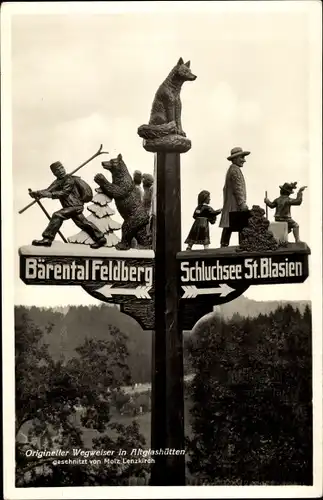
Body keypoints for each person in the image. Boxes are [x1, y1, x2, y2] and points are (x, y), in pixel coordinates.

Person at [29, 161, 107, 248]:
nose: (61, 171)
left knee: (57, 215)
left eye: (61, 168)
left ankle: (47, 239)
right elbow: (48, 190)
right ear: (54, 173)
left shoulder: (69, 179)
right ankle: (100, 238)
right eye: (57, 170)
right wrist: (37, 193)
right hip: (69, 207)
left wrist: (49, 195)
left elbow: (64, 193)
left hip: (75, 206)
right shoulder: (57, 182)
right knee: (83, 223)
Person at [219, 146, 250, 247]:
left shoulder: (232, 169)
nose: (244, 160)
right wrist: (242, 203)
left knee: (230, 225)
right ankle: (243, 245)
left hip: (232, 204)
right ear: (235, 158)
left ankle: (224, 245)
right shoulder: (235, 170)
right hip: (235, 205)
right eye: (242, 157)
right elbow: (238, 188)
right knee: (241, 224)